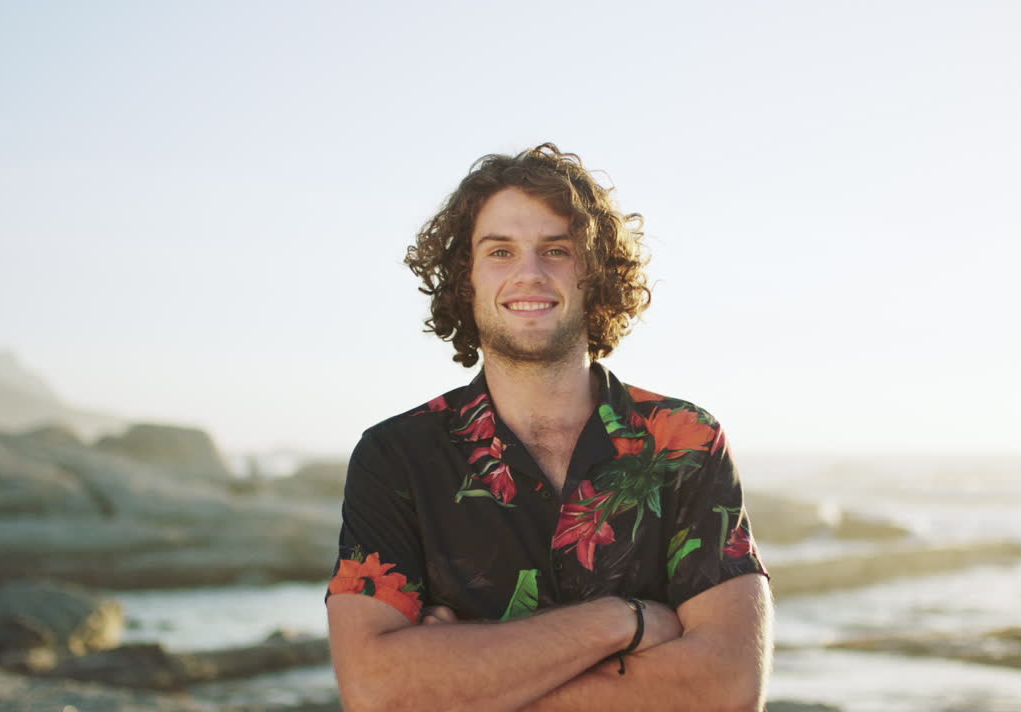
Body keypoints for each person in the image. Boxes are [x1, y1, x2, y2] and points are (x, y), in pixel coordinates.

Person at [326, 143, 772, 711]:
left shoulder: (684, 439)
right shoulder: (396, 457)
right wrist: (622, 622)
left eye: (557, 250)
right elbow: (377, 692)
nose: (529, 273)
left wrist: (462, 676)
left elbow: (728, 690)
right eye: (500, 252)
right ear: (466, 277)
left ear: (596, 272)